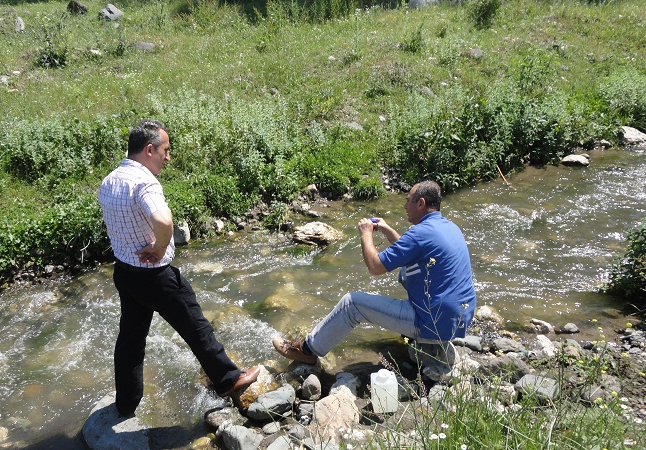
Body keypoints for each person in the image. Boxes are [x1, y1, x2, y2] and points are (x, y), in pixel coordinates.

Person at [98, 119, 259, 417]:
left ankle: (126, 403)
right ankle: (228, 379)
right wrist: (160, 248)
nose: (168, 157)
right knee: (196, 327)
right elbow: (163, 221)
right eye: (165, 150)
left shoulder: (110, 180)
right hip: (155, 275)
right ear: (149, 149)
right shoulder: (144, 182)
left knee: (130, 341)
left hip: (125, 273)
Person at [273, 181, 477, 380]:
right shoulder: (448, 227)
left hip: (432, 324)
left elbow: (375, 267)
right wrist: (388, 230)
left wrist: (365, 235)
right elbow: (410, 253)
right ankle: (418, 340)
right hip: (457, 320)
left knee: (352, 304)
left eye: (408, 201)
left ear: (421, 203)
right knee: (406, 272)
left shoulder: (420, 234)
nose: (405, 206)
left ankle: (307, 350)